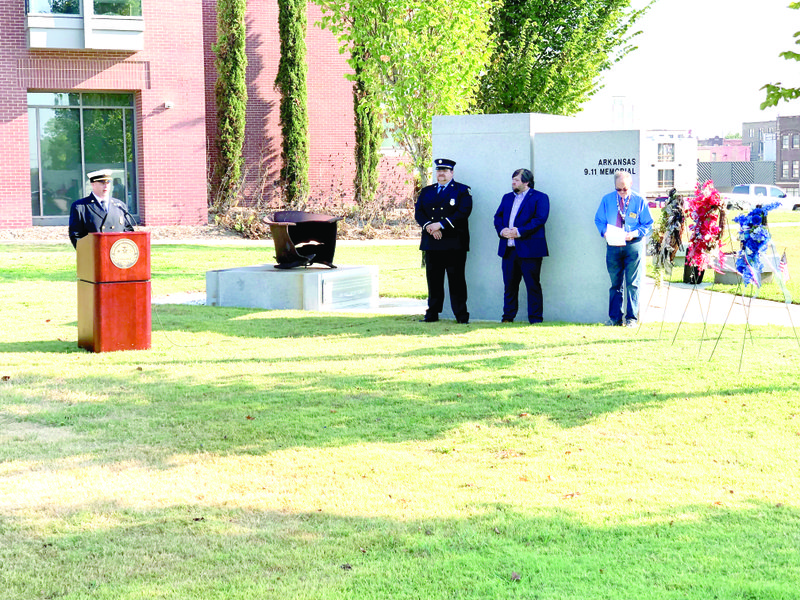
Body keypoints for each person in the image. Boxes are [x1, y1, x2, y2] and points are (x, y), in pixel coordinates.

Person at [414, 158, 473, 323]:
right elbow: (419, 212)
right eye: (439, 170)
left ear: (451, 173)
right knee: (434, 282)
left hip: (454, 244)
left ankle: (461, 316)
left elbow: (463, 213)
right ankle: (432, 314)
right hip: (432, 243)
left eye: (445, 170)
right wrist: (430, 227)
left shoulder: (462, 191)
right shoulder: (427, 191)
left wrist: (440, 225)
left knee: (457, 281)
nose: (441, 173)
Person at [594, 170, 653, 327]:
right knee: (615, 283)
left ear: (631, 184)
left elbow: (648, 224)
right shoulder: (607, 200)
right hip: (613, 245)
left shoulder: (639, 200)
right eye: (618, 189)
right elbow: (599, 219)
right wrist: (604, 232)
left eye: (625, 189)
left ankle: (632, 318)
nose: (621, 192)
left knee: (632, 283)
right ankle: (615, 318)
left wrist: (634, 233)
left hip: (633, 245)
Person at [493, 168, 550, 324]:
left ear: (526, 182)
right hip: (509, 250)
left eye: (516, 180)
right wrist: (502, 230)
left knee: (532, 285)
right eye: (512, 180)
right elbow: (497, 217)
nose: (513, 183)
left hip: (530, 250)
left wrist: (519, 232)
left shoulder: (540, 197)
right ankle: (507, 317)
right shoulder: (507, 198)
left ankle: (536, 319)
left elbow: (539, 219)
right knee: (509, 285)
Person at [68, 169, 135, 248]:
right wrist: (87, 252)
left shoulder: (119, 205)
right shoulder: (81, 206)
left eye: (108, 182)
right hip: (95, 253)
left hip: (117, 254)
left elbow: (128, 231)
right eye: (102, 183)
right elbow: (76, 234)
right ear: (93, 184)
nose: (106, 186)